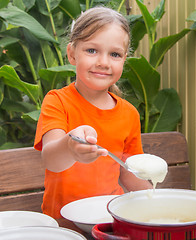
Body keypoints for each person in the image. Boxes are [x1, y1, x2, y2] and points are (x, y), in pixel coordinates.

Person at [34, 6, 152, 219]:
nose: (103, 62)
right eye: (91, 50)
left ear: (124, 60)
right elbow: (51, 159)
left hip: (108, 220)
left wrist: (157, 201)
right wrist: (70, 148)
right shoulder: (57, 101)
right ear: (72, 54)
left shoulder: (129, 114)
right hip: (63, 224)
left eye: (114, 54)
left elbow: (129, 172)